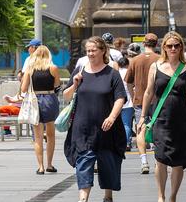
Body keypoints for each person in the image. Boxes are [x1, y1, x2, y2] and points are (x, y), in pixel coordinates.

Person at [137, 31, 186, 202]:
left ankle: (173, 196)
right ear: (164, 47)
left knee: (178, 161)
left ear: (181, 47)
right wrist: (143, 116)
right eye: (169, 46)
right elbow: (148, 92)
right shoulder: (155, 67)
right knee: (160, 158)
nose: (173, 48)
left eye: (176, 45)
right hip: (160, 118)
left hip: (181, 120)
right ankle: (161, 196)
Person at [63, 36, 126, 202]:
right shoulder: (80, 71)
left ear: (103, 51)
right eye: (88, 51)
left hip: (107, 129)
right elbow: (66, 96)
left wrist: (112, 117)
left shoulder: (112, 74)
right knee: (83, 163)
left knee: (109, 164)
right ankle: (83, 199)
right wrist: (75, 84)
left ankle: (108, 196)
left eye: (93, 50)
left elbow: (120, 97)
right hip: (83, 128)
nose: (90, 54)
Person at [21, 45, 61, 175]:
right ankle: (50, 164)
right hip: (50, 99)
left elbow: (23, 88)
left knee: (37, 136)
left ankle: (40, 167)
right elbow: (57, 86)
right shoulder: (53, 68)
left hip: (35, 101)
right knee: (51, 134)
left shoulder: (30, 69)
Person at [124, 32, 159, 174]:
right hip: (157, 100)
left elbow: (128, 82)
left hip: (139, 100)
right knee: (158, 130)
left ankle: (144, 161)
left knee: (140, 129)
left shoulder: (135, 60)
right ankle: (158, 160)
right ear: (156, 44)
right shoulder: (161, 59)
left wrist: (133, 97)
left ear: (144, 44)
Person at [117, 56, 134, 151]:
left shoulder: (116, 73)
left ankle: (119, 142)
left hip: (118, 101)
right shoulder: (129, 73)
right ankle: (127, 143)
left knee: (117, 123)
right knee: (126, 124)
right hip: (129, 101)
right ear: (127, 64)